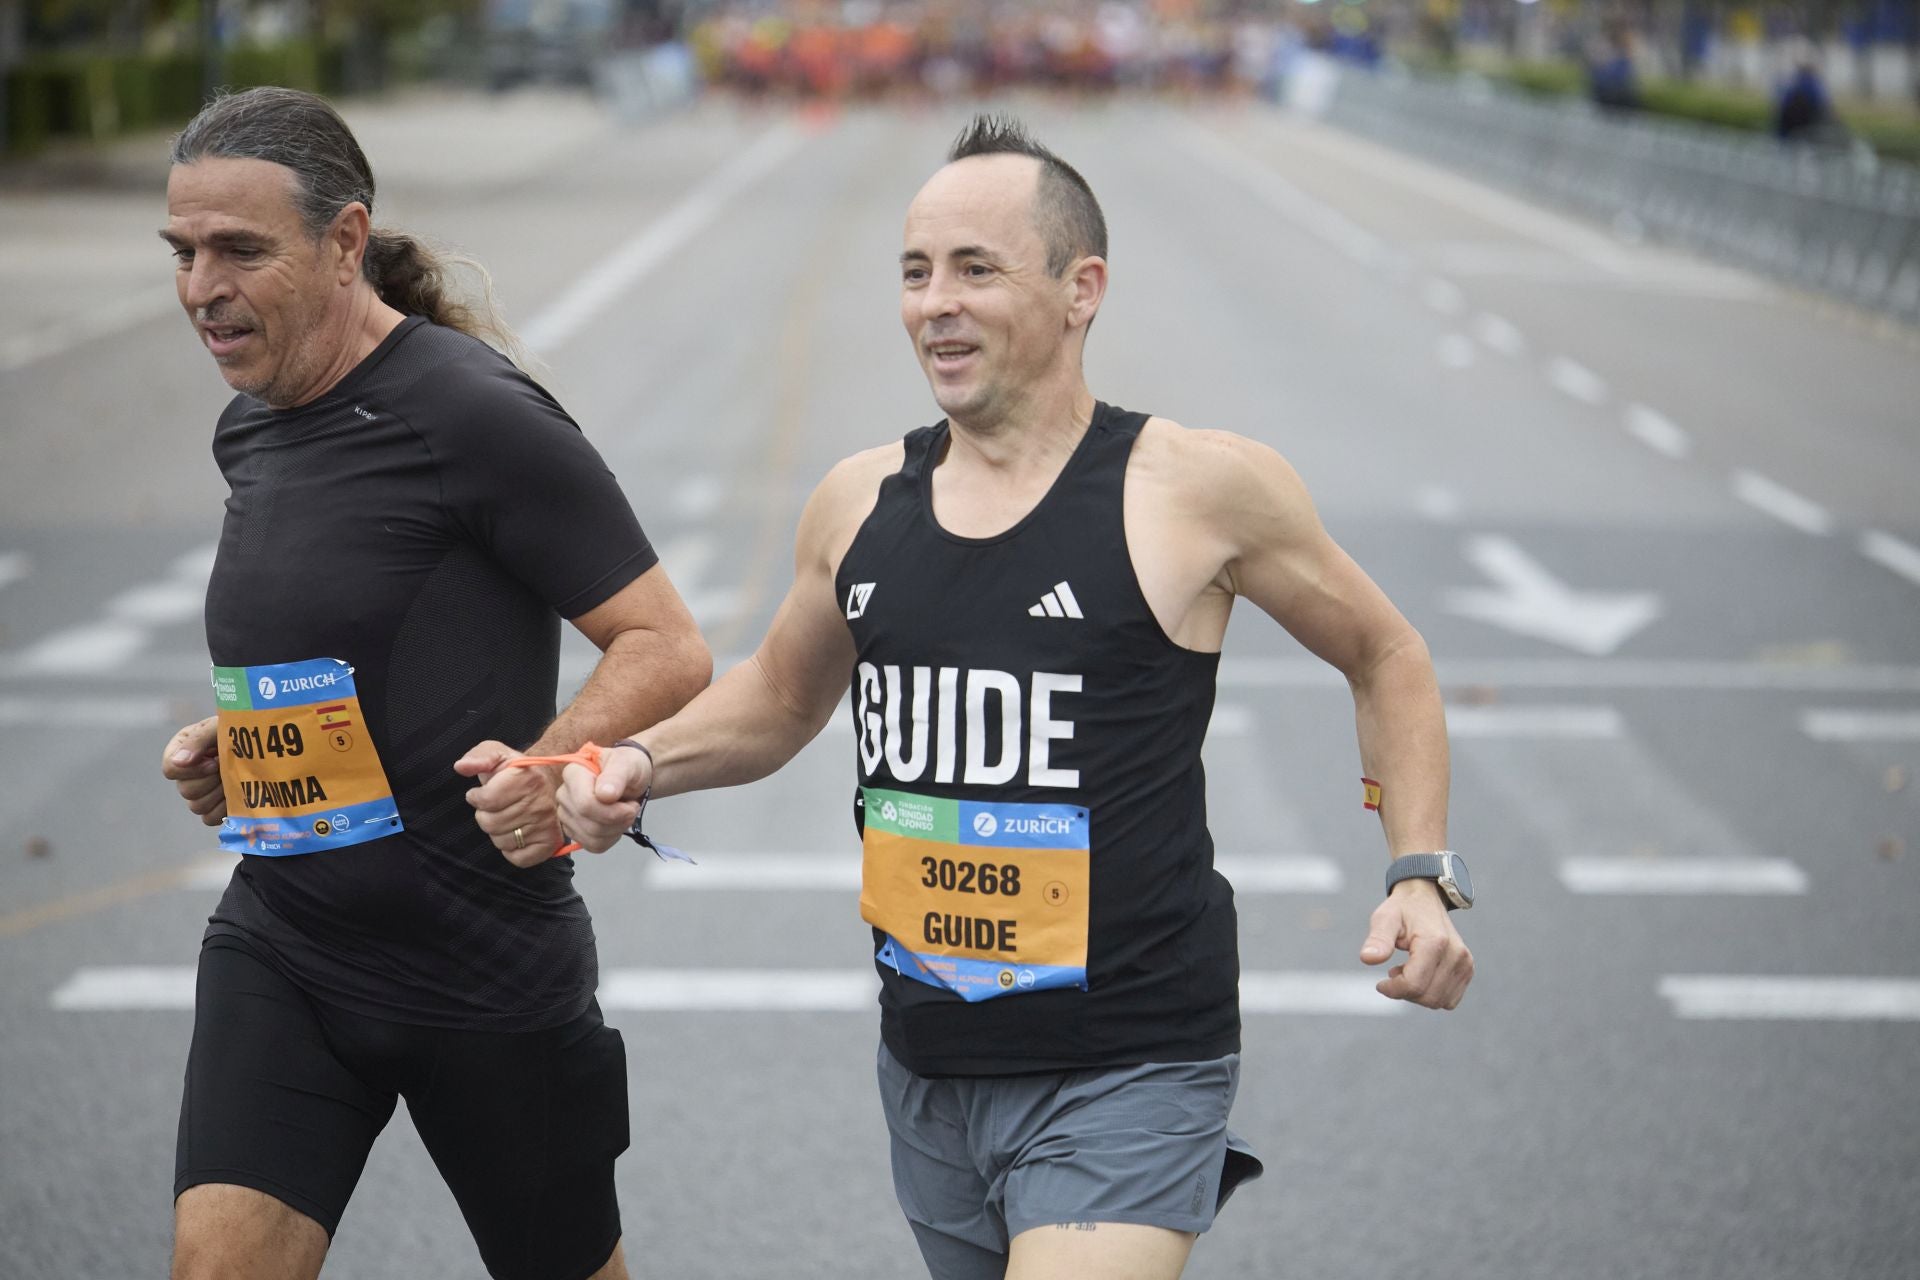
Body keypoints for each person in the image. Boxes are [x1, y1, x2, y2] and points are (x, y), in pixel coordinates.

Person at [557, 114, 1475, 1280]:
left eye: (976, 270)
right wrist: (643, 762)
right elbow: (783, 696)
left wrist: (1420, 871)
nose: (935, 302)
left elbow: (1386, 651)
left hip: (1131, 1062)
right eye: (915, 270)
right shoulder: (859, 500)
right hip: (930, 1071)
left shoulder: (1191, 490)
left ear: (1081, 288)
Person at [155, 86, 710, 1280]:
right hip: (289, 939)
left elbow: (665, 642)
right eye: (184, 251)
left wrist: (551, 763)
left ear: (343, 241)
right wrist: (239, 745)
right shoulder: (251, 426)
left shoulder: (470, 411)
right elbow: (351, 637)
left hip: (479, 961)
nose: (202, 285)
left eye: (240, 249)